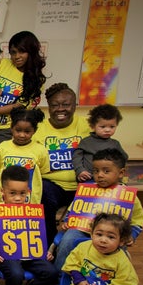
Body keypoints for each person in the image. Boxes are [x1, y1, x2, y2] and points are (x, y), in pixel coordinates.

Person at [0, 31, 46, 193]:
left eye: (21, 51)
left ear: (31, 52)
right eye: (13, 52)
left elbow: (18, 106)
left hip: (2, 131)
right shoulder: (3, 63)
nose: (17, 56)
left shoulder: (35, 79)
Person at [52, 148, 143, 270]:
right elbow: (74, 209)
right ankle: (59, 277)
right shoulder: (87, 190)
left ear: (121, 173)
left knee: (119, 248)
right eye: (95, 171)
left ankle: (111, 277)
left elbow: (137, 220)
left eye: (106, 171)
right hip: (83, 229)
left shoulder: (128, 196)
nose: (99, 175)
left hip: (112, 234)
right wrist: (68, 222)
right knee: (67, 240)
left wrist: (131, 235)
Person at [33, 83, 93, 246]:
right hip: (53, 185)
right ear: (49, 107)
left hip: (83, 185)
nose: (60, 109)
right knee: (42, 192)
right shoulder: (38, 128)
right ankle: (49, 244)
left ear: (75, 105)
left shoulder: (87, 126)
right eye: (55, 105)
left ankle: (84, 247)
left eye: (66, 104)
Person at [0, 108, 50, 204]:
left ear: (34, 131)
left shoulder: (40, 150)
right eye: (18, 130)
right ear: (11, 128)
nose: (22, 135)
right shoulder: (3, 147)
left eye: (27, 132)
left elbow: (43, 174)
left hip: (30, 202)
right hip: (3, 200)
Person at [73, 104, 128, 183]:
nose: (107, 130)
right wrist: (80, 171)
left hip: (109, 180)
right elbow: (76, 158)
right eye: (103, 127)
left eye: (112, 127)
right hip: (89, 177)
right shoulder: (86, 142)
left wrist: (118, 172)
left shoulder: (115, 144)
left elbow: (124, 158)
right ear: (93, 126)